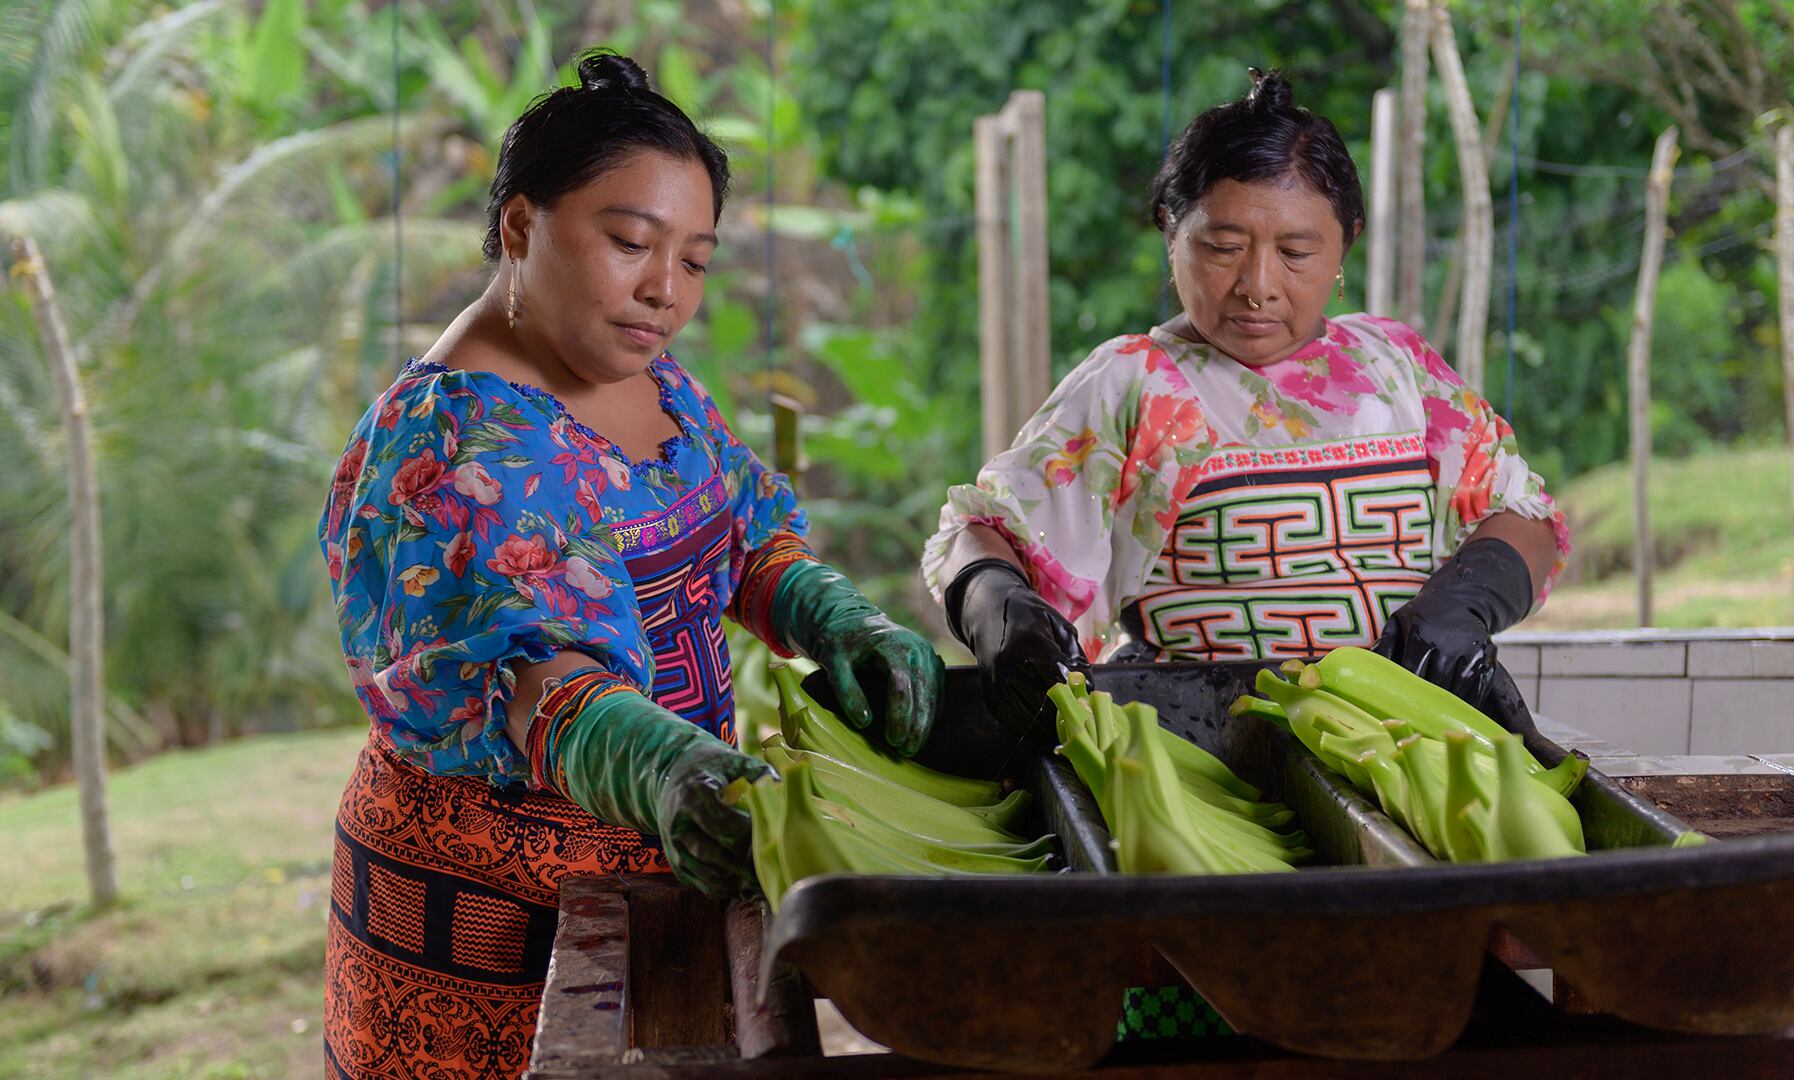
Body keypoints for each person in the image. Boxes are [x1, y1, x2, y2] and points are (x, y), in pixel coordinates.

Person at [318, 52, 941, 1080]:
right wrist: (655, 766)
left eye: (694, 260)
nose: (665, 290)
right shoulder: (452, 446)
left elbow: (739, 535)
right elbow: (533, 681)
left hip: (666, 871)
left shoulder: (640, 371)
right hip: (484, 929)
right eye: (629, 242)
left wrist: (832, 616)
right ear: (521, 226)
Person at [927, 67, 1567, 738]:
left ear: (1347, 240)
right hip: (1197, 741)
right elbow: (983, 533)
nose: (1258, 285)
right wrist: (992, 600)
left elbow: (1524, 518)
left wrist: (1460, 608)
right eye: (1224, 247)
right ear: (1170, 231)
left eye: (1296, 251)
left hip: (1404, 734)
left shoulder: (1399, 366)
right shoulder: (1134, 382)